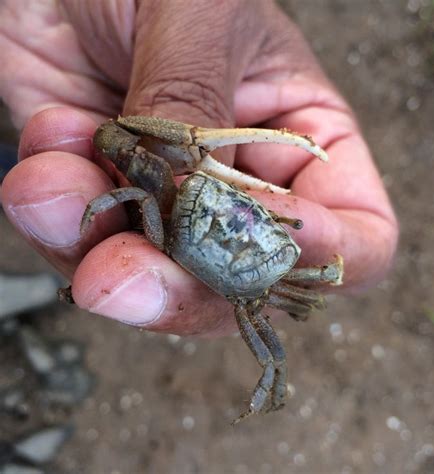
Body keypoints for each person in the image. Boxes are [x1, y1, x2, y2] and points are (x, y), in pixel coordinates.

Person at [0, 1, 398, 336]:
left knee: (57, 184)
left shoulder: (265, 289)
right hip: (168, 212)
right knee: (101, 178)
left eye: (266, 220)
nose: (243, 218)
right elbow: (115, 143)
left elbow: (317, 289)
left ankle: (83, 284)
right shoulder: (164, 193)